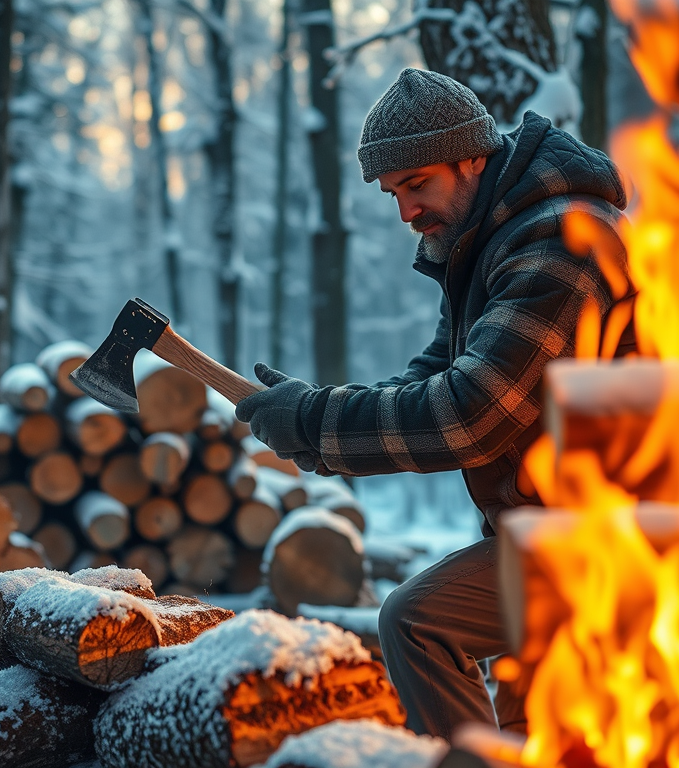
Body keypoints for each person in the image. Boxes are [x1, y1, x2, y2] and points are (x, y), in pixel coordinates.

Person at [234, 68, 634, 740]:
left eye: (417, 185)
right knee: (540, 739)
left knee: (419, 621)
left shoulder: (563, 244)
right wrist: (309, 420)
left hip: (616, 533)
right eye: (394, 193)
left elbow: (470, 414)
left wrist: (315, 421)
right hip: (550, 532)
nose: (405, 213)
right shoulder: (498, 244)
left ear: (472, 155)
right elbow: (433, 373)